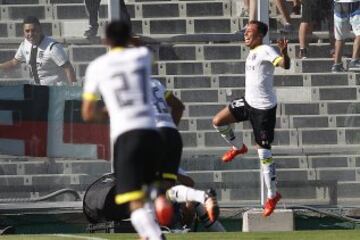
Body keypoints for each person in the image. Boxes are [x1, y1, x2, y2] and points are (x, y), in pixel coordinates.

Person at [81, 20, 169, 240]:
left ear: (105, 40)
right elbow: (141, 46)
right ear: (129, 38)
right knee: (148, 193)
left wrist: (108, 112)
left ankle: (155, 236)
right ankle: (157, 212)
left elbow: (88, 113)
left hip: (126, 135)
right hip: (152, 133)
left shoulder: (98, 66)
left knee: (134, 203)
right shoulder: (141, 58)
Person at [212, 20, 290, 217]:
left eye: (250, 32)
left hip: (263, 110)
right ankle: (238, 147)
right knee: (218, 121)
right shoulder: (253, 51)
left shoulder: (266, 50)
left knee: (263, 154)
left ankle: (272, 195)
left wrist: (284, 53)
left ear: (260, 35)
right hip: (248, 102)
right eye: (245, 32)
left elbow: (284, 65)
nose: (245, 35)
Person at [150, 78, 220, 225]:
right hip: (170, 134)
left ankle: (152, 230)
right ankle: (203, 197)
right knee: (164, 192)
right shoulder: (154, 83)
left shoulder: (127, 83)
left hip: (150, 136)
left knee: (141, 191)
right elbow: (179, 106)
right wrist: (169, 128)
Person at [0, 16, 77, 86]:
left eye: (34, 30)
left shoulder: (52, 47)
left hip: (56, 89)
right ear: (23, 32)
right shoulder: (24, 45)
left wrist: (73, 90)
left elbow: (68, 67)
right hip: (39, 89)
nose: (31, 34)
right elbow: (14, 62)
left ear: (40, 30)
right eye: (27, 31)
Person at [331, 0, 360, 72]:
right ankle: (355, 60)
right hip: (355, 3)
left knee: (340, 36)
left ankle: (337, 64)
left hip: (339, 3)